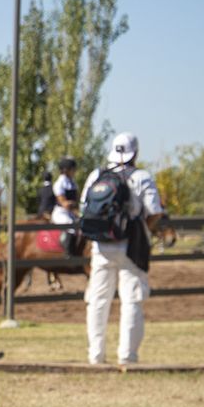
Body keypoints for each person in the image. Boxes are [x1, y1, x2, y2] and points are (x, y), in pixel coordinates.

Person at [81, 132, 164, 365]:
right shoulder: (142, 177)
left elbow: (84, 208)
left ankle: (96, 354)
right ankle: (127, 355)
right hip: (131, 247)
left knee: (97, 301)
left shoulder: (96, 175)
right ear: (135, 153)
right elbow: (154, 211)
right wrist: (144, 230)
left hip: (101, 246)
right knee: (131, 299)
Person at [50, 156, 79, 226]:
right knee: (70, 225)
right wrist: (74, 205)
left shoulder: (73, 183)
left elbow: (77, 200)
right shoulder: (59, 184)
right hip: (61, 213)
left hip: (71, 213)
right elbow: (65, 204)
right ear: (66, 170)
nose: (75, 171)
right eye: (73, 169)